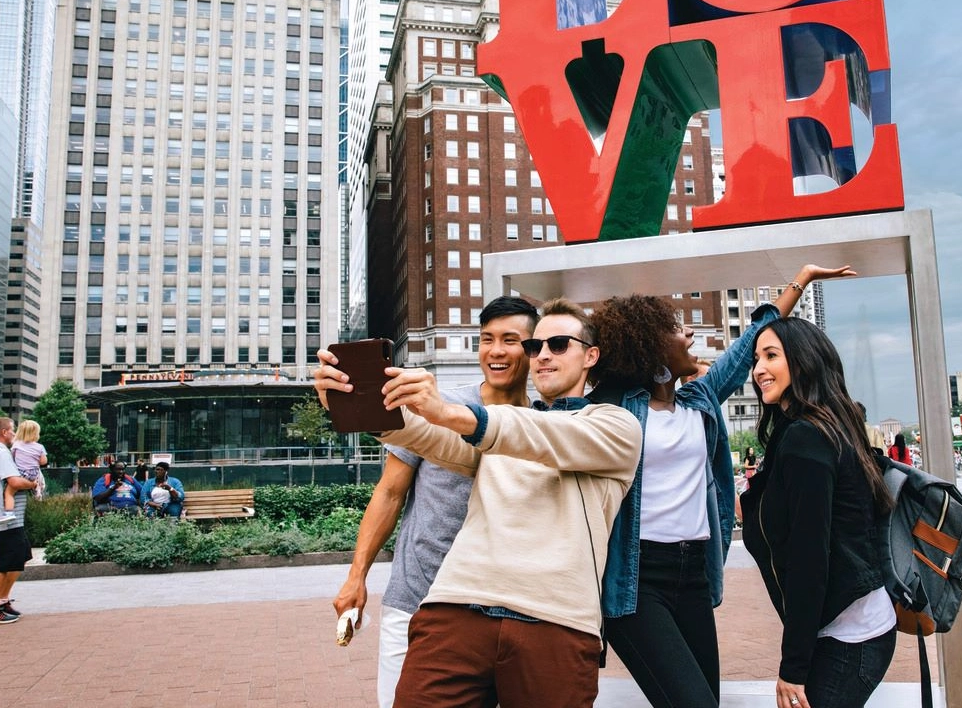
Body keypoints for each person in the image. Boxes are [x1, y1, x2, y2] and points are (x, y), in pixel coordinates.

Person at [584, 265, 848, 708]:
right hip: (637, 578)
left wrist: (801, 280)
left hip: (694, 575)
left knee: (707, 698)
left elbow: (750, 344)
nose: (688, 334)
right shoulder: (612, 409)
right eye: (675, 329)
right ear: (650, 347)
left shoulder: (700, 399)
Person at [370, 299, 643, 707]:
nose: (543, 355)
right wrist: (363, 404)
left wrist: (449, 411)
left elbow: (542, 435)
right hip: (456, 609)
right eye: (535, 347)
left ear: (591, 356)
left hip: (555, 621)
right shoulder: (497, 430)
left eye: (559, 344)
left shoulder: (615, 425)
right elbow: (433, 438)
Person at [319, 296, 537, 708]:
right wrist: (356, 575)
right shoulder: (438, 404)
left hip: (499, 607)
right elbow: (389, 492)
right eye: (486, 339)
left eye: (511, 340)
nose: (495, 351)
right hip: (417, 596)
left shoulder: (542, 421)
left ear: (532, 348)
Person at [742, 317, 896, 708]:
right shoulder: (821, 427)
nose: (759, 369)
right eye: (757, 358)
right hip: (855, 625)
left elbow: (810, 557)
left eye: (771, 356)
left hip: (848, 635)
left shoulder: (807, 437)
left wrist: (793, 666)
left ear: (803, 359)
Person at [0, 417, 37, 625]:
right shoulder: (1, 453)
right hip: (5, 520)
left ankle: (2, 602)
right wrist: (32, 483)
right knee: (2, 565)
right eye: (12, 430)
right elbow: (13, 481)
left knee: (21, 555)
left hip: (9, 519)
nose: (15, 434)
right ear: (4, 432)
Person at [0, 420, 47, 526]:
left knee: (8, 493)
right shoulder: (39, 447)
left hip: (20, 474)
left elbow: (12, 458)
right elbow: (43, 462)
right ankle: (37, 492)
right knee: (34, 484)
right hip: (33, 474)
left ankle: (9, 513)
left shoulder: (16, 445)